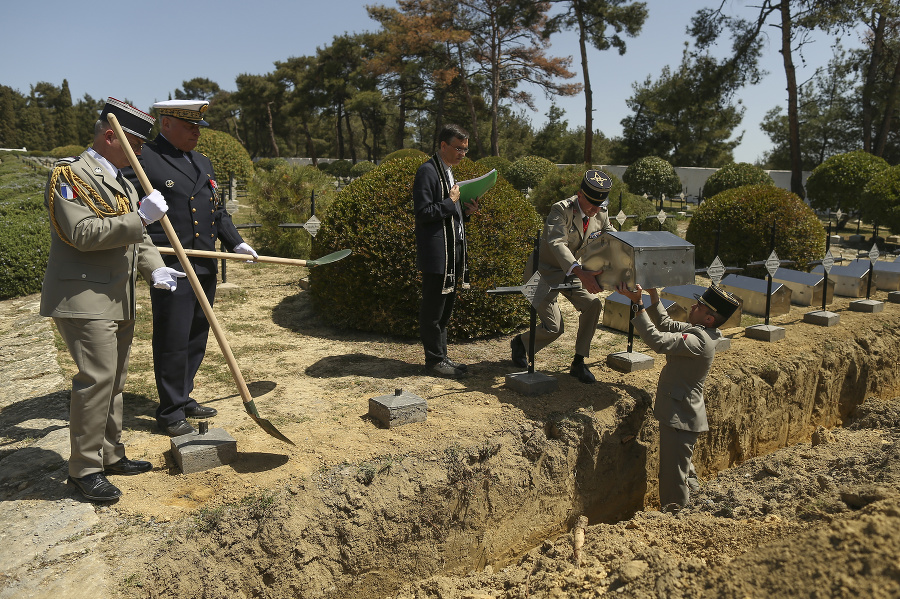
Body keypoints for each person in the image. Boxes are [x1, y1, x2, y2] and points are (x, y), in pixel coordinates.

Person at [41, 98, 181, 502]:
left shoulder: (119, 179)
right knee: (96, 380)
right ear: (110, 136)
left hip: (116, 296)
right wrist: (141, 217)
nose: (140, 152)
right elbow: (81, 233)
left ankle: (110, 454)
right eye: (135, 143)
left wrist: (153, 266)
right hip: (83, 296)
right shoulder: (70, 176)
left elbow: (135, 236)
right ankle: (84, 469)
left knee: (115, 381)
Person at [127, 99, 257, 437]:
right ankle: (170, 411)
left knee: (197, 334)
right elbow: (122, 201)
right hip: (171, 265)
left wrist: (235, 242)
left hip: (205, 261)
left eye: (198, 126)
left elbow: (216, 212)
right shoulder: (144, 159)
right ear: (166, 123)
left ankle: (183, 397)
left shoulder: (202, 161)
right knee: (173, 337)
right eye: (189, 126)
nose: (196, 133)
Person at [615, 282, 740, 511]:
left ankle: (676, 516)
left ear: (709, 318)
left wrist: (637, 304)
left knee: (672, 475)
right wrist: (653, 296)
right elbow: (665, 324)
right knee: (682, 468)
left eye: (700, 306)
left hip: (680, 416)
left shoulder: (699, 341)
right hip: (681, 412)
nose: (693, 306)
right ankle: (694, 504)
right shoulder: (702, 332)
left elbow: (658, 341)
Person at [509, 169, 615, 383]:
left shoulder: (600, 213)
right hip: (539, 274)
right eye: (591, 204)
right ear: (580, 194)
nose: (594, 210)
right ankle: (521, 343)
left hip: (571, 273)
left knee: (593, 305)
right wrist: (581, 273)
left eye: (599, 205)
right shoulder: (561, 210)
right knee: (555, 327)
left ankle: (578, 361)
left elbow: (611, 238)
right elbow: (557, 243)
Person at [413, 124, 480, 377]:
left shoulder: (449, 172)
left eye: (465, 149)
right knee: (433, 310)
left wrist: (465, 211)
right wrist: (451, 202)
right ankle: (433, 361)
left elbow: (448, 214)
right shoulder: (428, 172)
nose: (463, 153)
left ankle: (442, 356)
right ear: (443, 145)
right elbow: (423, 213)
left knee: (445, 310)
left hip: (453, 251)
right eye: (458, 148)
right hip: (437, 254)